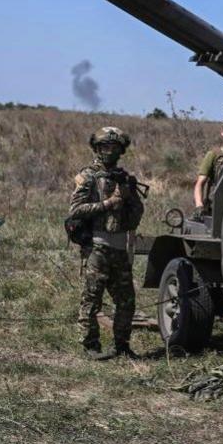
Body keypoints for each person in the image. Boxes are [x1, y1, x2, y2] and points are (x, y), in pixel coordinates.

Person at [70, 126, 144, 360]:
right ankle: (91, 346)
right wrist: (109, 203)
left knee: (127, 301)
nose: (109, 151)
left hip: (120, 248)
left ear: (121, 150)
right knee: (92, 299)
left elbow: (135, 218)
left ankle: (122, 345)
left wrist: (129, 196)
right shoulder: (89, 176)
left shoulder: (125, 178)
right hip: (97, 247)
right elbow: (76, 210)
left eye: (114, 147)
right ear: (97, 148)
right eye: (105, 146)